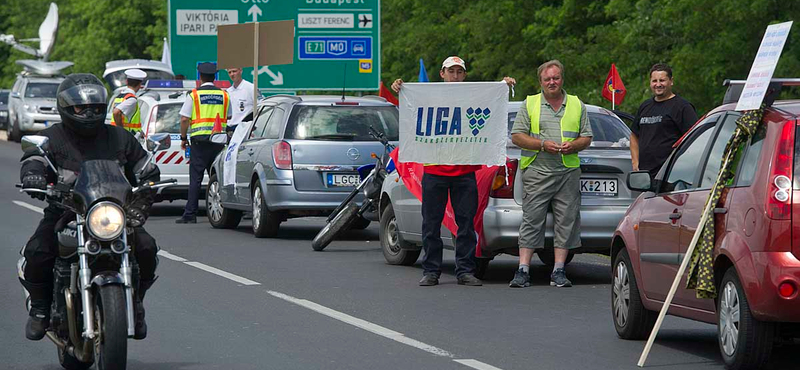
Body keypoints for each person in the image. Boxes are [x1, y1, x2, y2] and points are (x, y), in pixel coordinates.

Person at [19, 73, 160, 340]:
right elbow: (34, 158)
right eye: (81, 107)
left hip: (114, 213)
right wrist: (33, 175)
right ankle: (39, 309)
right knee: (38, 250)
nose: (88, 112)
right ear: (66, 108)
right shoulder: (52, 137)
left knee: (146, 247)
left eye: (95, 107)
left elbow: (145, 168)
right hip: (66, 210)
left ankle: (137, 303)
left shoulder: (119, 138)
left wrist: (147, 189)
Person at [392, 56, 515, 287]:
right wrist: (399, 87)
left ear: (464, 75)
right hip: (434, 170)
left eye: (459, 72)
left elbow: (491, 100)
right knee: (431, 224)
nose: (455, 76)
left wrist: (502, 85)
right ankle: (431, 271)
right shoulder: (430, 96)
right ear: (442, 74)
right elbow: (409, 108)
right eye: (451, 72)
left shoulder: (471, 95)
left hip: (464, 171)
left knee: (466, 225)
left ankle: (465, 271)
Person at [508, 60, 593, 288]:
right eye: (547, 79)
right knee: (531, 219)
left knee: (566, 221)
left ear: (562, 79)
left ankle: (559, 270)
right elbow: (517, 136)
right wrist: (543, 144)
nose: (552, 82)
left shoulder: (576, 104)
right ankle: (523, 270)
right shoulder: (530, 103)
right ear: (541, 82)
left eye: (555, 78)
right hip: (537, 170)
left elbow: (587, 136)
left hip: (568, 172)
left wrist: (574, 145)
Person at [176, 62, 232, 224]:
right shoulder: (224, 95)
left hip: (199, 142)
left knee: (196, 179)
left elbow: (184, 119)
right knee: (219, 178)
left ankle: (190, 214)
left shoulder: (193, 95)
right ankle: (225, 212)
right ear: (215, 77)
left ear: (199, 77)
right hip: (219, 142)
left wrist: (183, 138)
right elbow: (228, 117)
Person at [631, 63, 698, 177]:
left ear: (671, 81)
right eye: (654, 81)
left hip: (670, 176)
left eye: (662, 80)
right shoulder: (645, 106)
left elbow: (694, 140)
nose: (658, 84)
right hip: (645, 175)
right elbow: (634, 135)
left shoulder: (683, 107)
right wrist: (635, 162)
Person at [111, 68, 147, 134]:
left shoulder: (119, 96)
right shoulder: (131, 99)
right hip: (127, 138)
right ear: (139, 85)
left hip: (116, 134)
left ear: (127, 81)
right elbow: (116, 112)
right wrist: (122, 133)